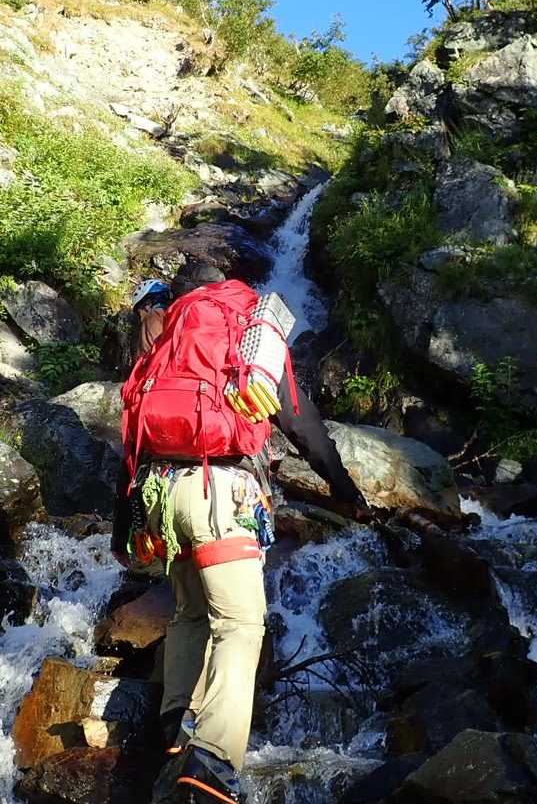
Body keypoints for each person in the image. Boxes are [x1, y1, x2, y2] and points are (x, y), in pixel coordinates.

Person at [113, 262, 372, 804]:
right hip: (219, 492)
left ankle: (174, 733)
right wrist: (344, 488)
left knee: (189, 614)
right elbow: (301, 425)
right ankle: (211, 762)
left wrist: (124, 528)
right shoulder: (245, 334)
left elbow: (133, 433)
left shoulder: (166, 340)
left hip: (161, 494)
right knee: (240, 625)